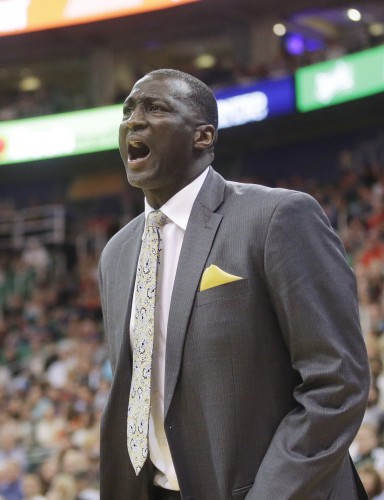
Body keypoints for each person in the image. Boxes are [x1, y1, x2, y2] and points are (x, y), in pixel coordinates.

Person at [98, 68, 370, 499]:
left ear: (203, 136)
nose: (134, 120)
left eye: (156, 107)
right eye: (129, 109)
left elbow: (336, 383)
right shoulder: (116, 255)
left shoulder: (278, 217)